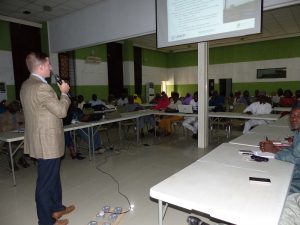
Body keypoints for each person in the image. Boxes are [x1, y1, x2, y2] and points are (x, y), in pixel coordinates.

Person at [20, 52, 74, 225]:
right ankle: (46, 221)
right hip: (47, 142)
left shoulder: (26, 85)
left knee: (52, 177)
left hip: (40, 140)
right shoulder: (42, 87)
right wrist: (64, 93)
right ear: (41, 66)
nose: (51, 67)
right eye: (49, 64)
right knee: (44, 184)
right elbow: (61, 111)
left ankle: (57, 208)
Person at [259, 100, 300, 194]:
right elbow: (294, 150)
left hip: (297, 180)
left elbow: (295, 159)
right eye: (292, 115)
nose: (294, 119)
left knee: (273, 186)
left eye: (299, 116)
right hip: (295, 172)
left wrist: (274, 151)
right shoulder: (298, 132)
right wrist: (276, 148)